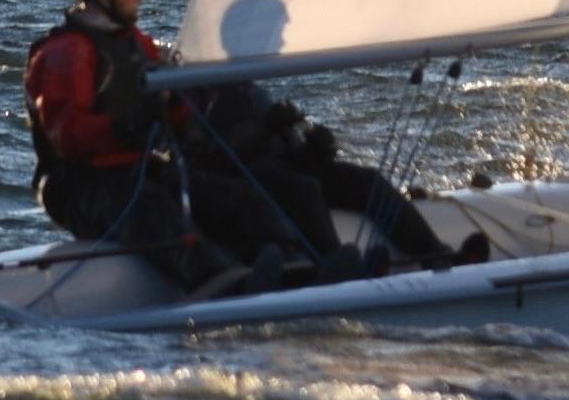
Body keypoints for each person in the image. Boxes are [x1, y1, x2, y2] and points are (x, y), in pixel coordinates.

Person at [24, 0, 299, 298]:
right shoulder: (66, 52)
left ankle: (296, 270)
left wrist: (193, 106)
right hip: (80, 185)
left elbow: (180, 119)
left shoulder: (140, 45)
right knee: (154, 211)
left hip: (136, 170)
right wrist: (127, 128)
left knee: (237, 197)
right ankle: (220, 286)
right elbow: (68, 135)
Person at [181, 81, 486, 273]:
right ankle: (336, 265)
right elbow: (206, 161)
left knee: (366, 181)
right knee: (305, 189)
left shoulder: (251, 89)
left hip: (281, 165)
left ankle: (436, 254)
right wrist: (262, 130)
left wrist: (316, 148)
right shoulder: (193, 93)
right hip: (242, 180)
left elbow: (287, 143)